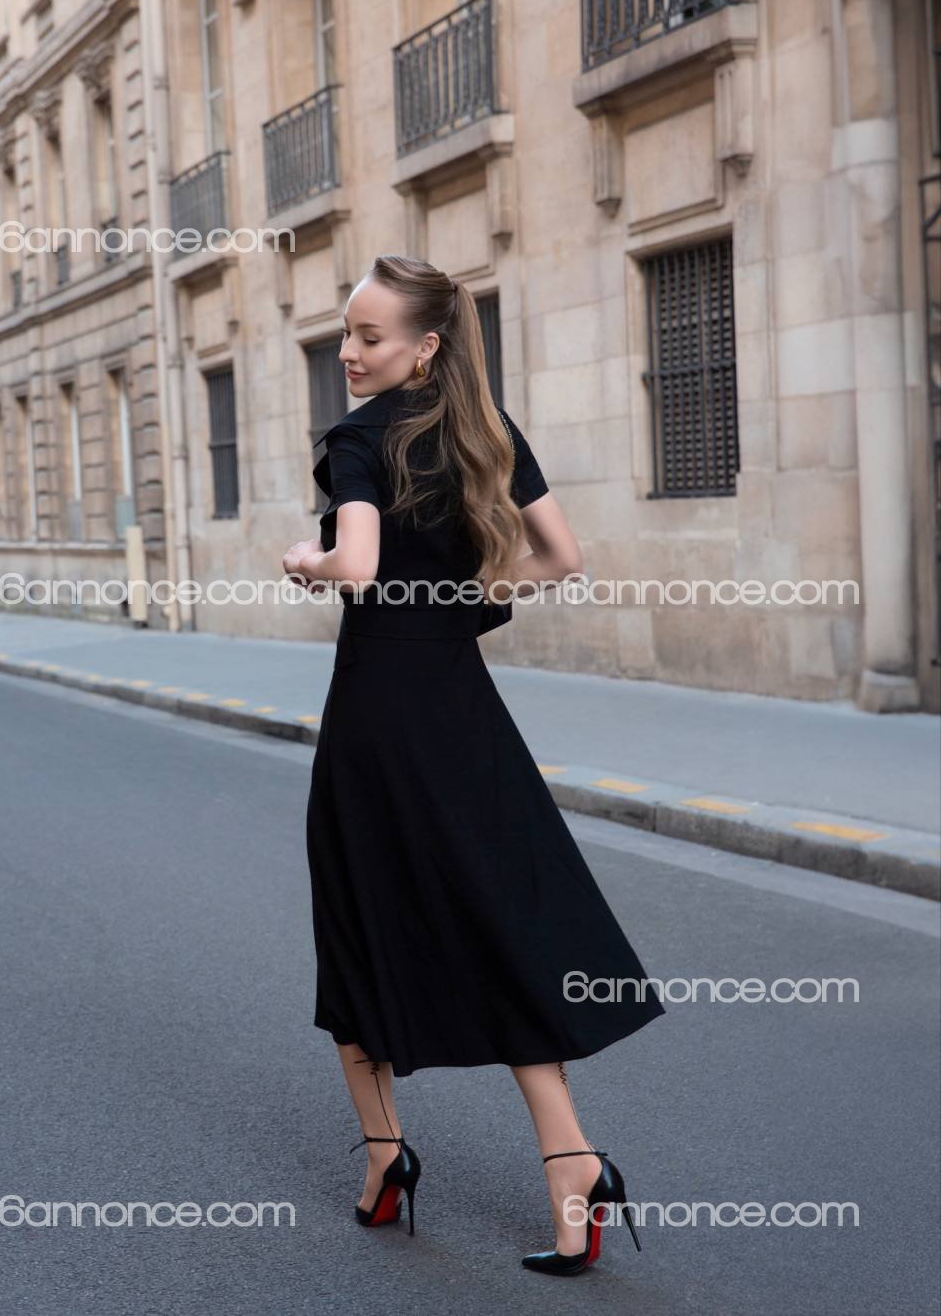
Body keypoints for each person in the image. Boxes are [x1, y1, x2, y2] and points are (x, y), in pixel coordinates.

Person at [282, 253, 665, 1276]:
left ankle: (386, 1158)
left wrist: (304, 560)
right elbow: (561, 559)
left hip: (376, 722)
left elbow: (357, 567)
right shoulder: (486, 433)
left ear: (425, 345)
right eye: (346, 332)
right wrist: (459, 604)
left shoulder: (356, 442)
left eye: (367, 336)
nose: (348, 352)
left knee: (358, 922)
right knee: (496, 918)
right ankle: (573, 1167)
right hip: (464, 713)